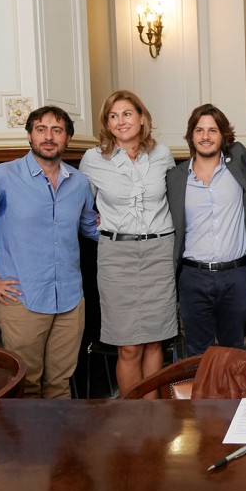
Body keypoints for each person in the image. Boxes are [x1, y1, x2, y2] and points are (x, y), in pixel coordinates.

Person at [0, 106, 98, 398]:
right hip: (23, 300)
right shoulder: (0, 177)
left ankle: (58, 445)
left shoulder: (79, 183)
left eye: (57, 130)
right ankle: (32, 445)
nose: (48, 137)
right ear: (29, 135)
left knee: (60, 385)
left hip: (70, 300)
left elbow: (91, 227)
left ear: (67, 139)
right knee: (24, 386)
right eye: (41, 129)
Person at [79, 90, 178, 398]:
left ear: (141, 118)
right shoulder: (93, 159)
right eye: (113, 116)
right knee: (129, 345)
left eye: (126, 114)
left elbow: (175, 200)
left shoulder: (162, 154)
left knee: (154, 340)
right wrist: (108, 235)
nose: (120, 121)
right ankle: (133, 418)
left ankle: (156, 416)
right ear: (107, 124)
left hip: (159, 254)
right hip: (116, 258)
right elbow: (83, 211)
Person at [166, 104, 246, 357]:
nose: (205, 136)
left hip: (235, 275)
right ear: (191, 136)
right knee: (195, 352)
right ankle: (200, 398)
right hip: (193, 277)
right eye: (199, 130)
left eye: (213, 130)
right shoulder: (175, 177)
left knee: (233, 351)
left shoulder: (239, 167)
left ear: (223, 135)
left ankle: (231, 399)